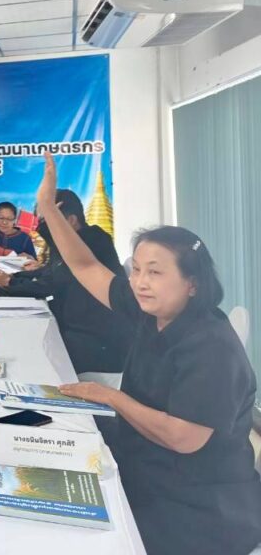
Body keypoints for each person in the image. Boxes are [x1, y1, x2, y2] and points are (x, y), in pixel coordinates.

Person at [36, 153, 261, 555]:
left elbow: (184, 437)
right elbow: (86, 266)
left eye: (155, 272)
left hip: (199, 507)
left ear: (193, 283)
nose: (140, 282)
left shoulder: (211, 345)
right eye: (136, 269)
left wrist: (110, 397)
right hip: (145, 464)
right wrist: (49, 211)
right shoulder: (152, 309)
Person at [0, 186, 130, 374]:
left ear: (71, 220)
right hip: (73, 326)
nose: (43, 227)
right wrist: (13, 278)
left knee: (20, 358)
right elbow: (50, 271)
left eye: (48, 221)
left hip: (95, 343)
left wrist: (9, 284)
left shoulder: (92, 241)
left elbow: (53, 283)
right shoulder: (74, 239)